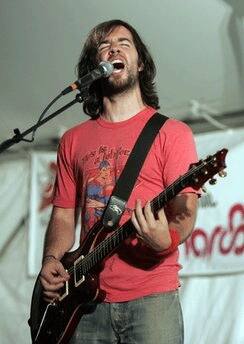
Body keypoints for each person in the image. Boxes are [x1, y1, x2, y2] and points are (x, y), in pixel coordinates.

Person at [40, 19, 199, 343]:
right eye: (104, 45)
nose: (113, 48)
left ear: (140, 63)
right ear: (93, 67)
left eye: (124, 43)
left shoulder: (173, 133)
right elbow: (63, 214)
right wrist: (51, 260)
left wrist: (164, 240)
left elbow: (185, 210)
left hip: (152, 298)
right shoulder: (72, 140)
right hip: (81, 303)